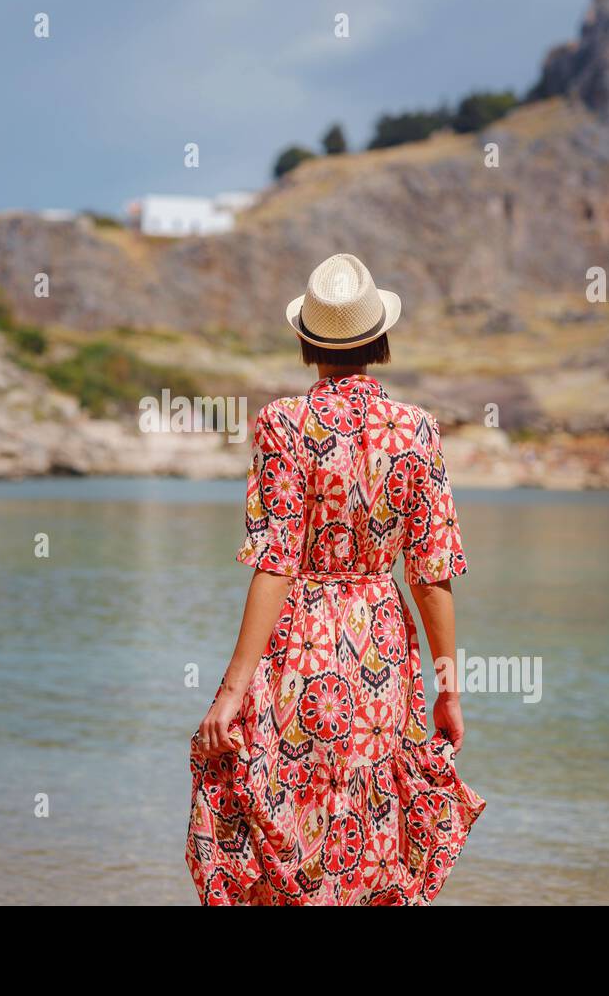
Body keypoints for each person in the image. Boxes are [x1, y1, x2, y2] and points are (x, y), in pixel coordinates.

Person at [185, 253, 485, 906]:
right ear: (381, 337)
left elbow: (277, 558)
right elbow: (431, 573)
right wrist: (449, 688)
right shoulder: (417, 430)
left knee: (277, 801)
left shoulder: (281, 424)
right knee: (370, 818)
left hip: (300, 643)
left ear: (304, 340)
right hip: (384, 644)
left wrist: (232, 691)